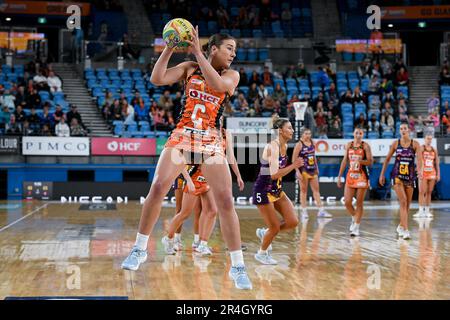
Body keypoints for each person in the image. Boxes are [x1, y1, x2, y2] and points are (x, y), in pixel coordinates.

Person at [121, 30, 252, 289]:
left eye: (234, 49)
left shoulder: (231, 75)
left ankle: (238, 266)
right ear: (213, 48)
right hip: (183, 135)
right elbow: (157, 78)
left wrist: (197, 53)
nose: (233, 53)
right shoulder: (189, 68)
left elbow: (218, 86)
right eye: (228, 48)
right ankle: (139, 249)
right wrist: (169, 48)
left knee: (225, 201)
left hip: (211, 139)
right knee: (157, 187)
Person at [252, 118, 303, 265]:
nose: (292, 130)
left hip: (277, 190)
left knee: (293, 221)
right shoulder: (272, 147)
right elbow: (274, 174)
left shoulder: (284, 146)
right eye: (289, 128)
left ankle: (264, 233)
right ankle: (261, 254)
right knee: (274, 227)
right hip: (263, 190)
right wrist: (294, 166)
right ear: (280, 130)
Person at [379, 122, 422, 240]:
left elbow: (420, 159)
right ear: (399, 131)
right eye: (401, 129)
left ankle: (401, 225)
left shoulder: (415, 144)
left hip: (410, 176)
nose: (403, 130)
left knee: (407, 204)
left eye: (405, 128)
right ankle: (406, 230)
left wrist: (420, 170)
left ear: (409, 130)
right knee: (403, 201)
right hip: (397, 175)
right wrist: (382, 174)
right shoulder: (395, 144)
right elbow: (387, 159)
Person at [337, 127, 373, 237]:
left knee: (359, 203)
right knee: (347, 202)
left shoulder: (365, 146)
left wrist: (360, 161)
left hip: (362, 176)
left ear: (363, 134)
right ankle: (354, 216)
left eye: (360, 133)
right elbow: (344, 161)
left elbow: (370, 161)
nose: (358, 135)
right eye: (356, 133)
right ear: (353, 133)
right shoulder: (349, 145)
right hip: (351, 175)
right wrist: (339, 176)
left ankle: (356, 227)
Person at [293, 128, 332, 219]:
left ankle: (321, 211)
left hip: (313, 169)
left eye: (309, 133)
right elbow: (293, 160)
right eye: (306, 133)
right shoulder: (299, 145)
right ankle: (304, 212)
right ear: (302, 134)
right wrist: (297, 172)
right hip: (303, 170)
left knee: (316, 191)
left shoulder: (313, 142)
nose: (308, 135)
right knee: (304, 191)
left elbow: (313, 156)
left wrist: (317, 167)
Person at [415, 133, 440, 218]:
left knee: (429, 192)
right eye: (427, 138)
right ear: (424, 139)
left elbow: (437, 163)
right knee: (422, 192)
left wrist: (438, 174)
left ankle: (427, 211)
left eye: (430, 139)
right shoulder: (421, 148)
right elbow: (418, 161)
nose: (429, 140)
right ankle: (421, 211)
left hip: (432, 173)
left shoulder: (434, 149)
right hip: (423, 173)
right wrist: (419, 171)